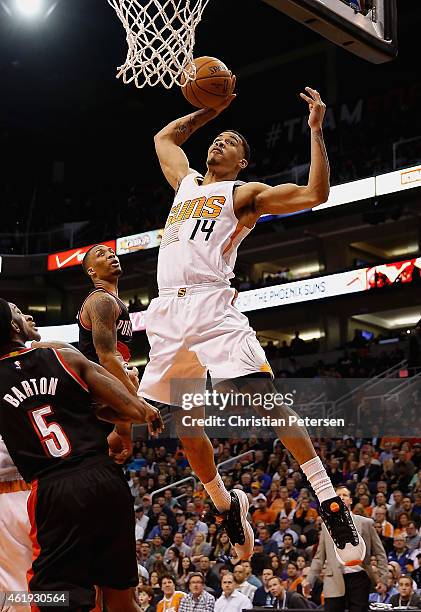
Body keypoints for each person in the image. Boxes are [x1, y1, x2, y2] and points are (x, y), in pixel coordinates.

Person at [138, 85, 365, 566]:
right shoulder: (186, 185)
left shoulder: (244, 195)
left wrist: (316, 131)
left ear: (243, 161)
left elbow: (315, 193)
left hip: (211, 307)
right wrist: (209, 109)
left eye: (231, 139)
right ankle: (224, 504)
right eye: (216, 138)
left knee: (263, 400)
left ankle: (328, 499)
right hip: (167, 312)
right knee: (182, 424)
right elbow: (164, 139)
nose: (219, 141)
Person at [0, 299, 163, 612]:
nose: (28, 314)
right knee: (119, 596)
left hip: (52, 491)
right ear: (13, 326)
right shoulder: (62, 354)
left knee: (52, 599)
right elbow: (132, 409)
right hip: (104, 478)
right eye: (19, 312)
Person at [78, 243, 137, 462]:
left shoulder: (116, 302)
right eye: (101, 255)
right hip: (92, 401)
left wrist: (123, 428)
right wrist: (137, 403)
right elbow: (107, 359)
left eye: (111, 252)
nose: (111, 255)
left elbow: (117, 365)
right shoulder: (100, 300)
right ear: (92, 271)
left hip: (106, 400)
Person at [0, 309, 40, 612]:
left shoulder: (44, 355)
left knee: (19, 593)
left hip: (34, 486)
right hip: (27, 488)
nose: (28, 316)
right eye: (18, 312)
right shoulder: (49, 357)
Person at [308, 486, 388, 612]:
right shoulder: (325, 526)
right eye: (338, 495)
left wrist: (383, 579)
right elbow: (319, 557)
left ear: (350, 500)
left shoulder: (366, 523)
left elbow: (380, 553)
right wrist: (309, 580)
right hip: (333, 579)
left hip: (359, 578)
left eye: (344, 495)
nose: (341, 497)